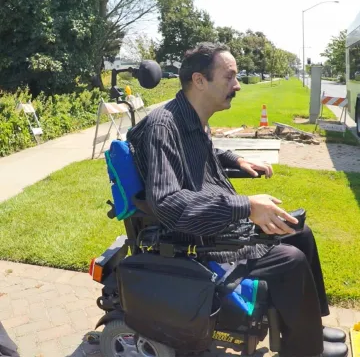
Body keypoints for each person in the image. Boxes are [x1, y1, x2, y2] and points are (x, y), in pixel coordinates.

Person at [127, 42, 348, 357]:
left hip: (216, 221)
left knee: (301, 231)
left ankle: (309, 326)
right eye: (229, 77)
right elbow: (168, 203)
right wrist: (247, 206)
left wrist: (235, 159)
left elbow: (201, 154)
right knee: (290, 259)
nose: (238, 85)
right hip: (197, 237)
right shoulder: (164, 126)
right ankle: (304, 349)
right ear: (200, 81)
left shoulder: (190, 115)